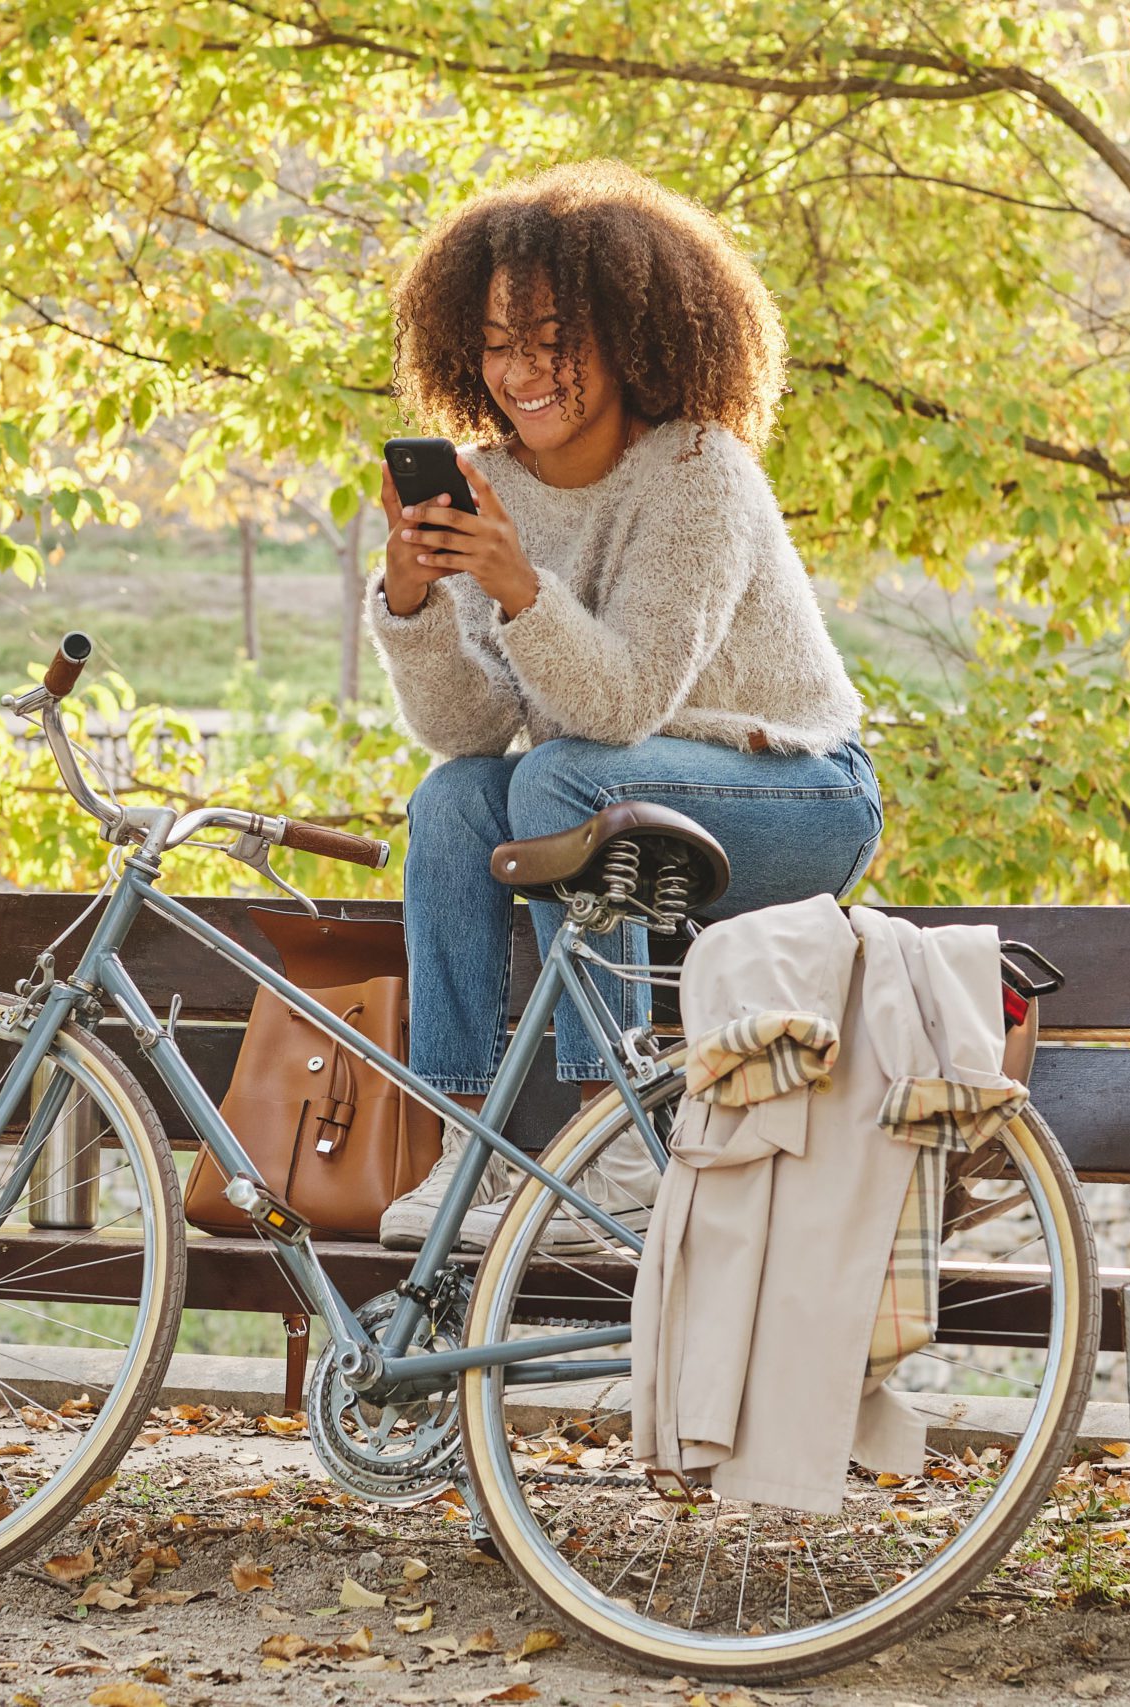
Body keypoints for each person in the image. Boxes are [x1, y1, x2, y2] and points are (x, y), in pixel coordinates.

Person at [366, 161, 883, 1251]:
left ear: (632, 335)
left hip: (795, 793)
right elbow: (468, 733)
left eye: (556, 338)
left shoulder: (699, 469)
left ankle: (611, 1133)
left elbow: (624, 701)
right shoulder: (490, 485)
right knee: (457, 796)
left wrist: (514, 584)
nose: (523, 370)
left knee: (559, 776)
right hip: (611, 796)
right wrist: (412, 597)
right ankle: (467, 1144)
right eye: (498, 342)